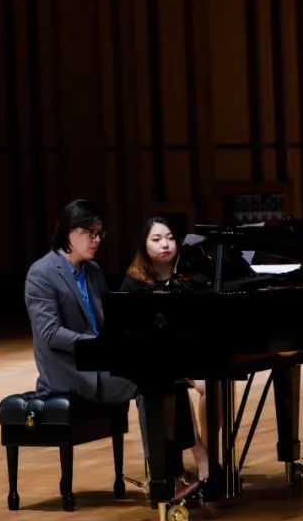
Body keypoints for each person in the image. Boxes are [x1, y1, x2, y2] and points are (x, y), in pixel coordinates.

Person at [24, 199, 199, 500]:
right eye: (90, 233)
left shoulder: (92, 271)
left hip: (100, 363)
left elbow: (111, 321)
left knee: (168, 375)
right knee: (148, 382)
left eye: (99, 234)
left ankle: (176, 470)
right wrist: (100, 346)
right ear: (69, 232)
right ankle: (161, 478)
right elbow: (50, 334)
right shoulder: (41, 273)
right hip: (71, 373)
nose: (96, 240)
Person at [122, 216, 210, 483]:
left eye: (170, 238)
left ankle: (209, 451)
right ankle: (201, 457)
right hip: (154, 358)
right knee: (174, 381)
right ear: (144, 245)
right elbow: (129, 332)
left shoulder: (188, 278)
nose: (165, 244)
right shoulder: (133, 284)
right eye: (156, 239)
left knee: (211, 388)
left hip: (188, 354)